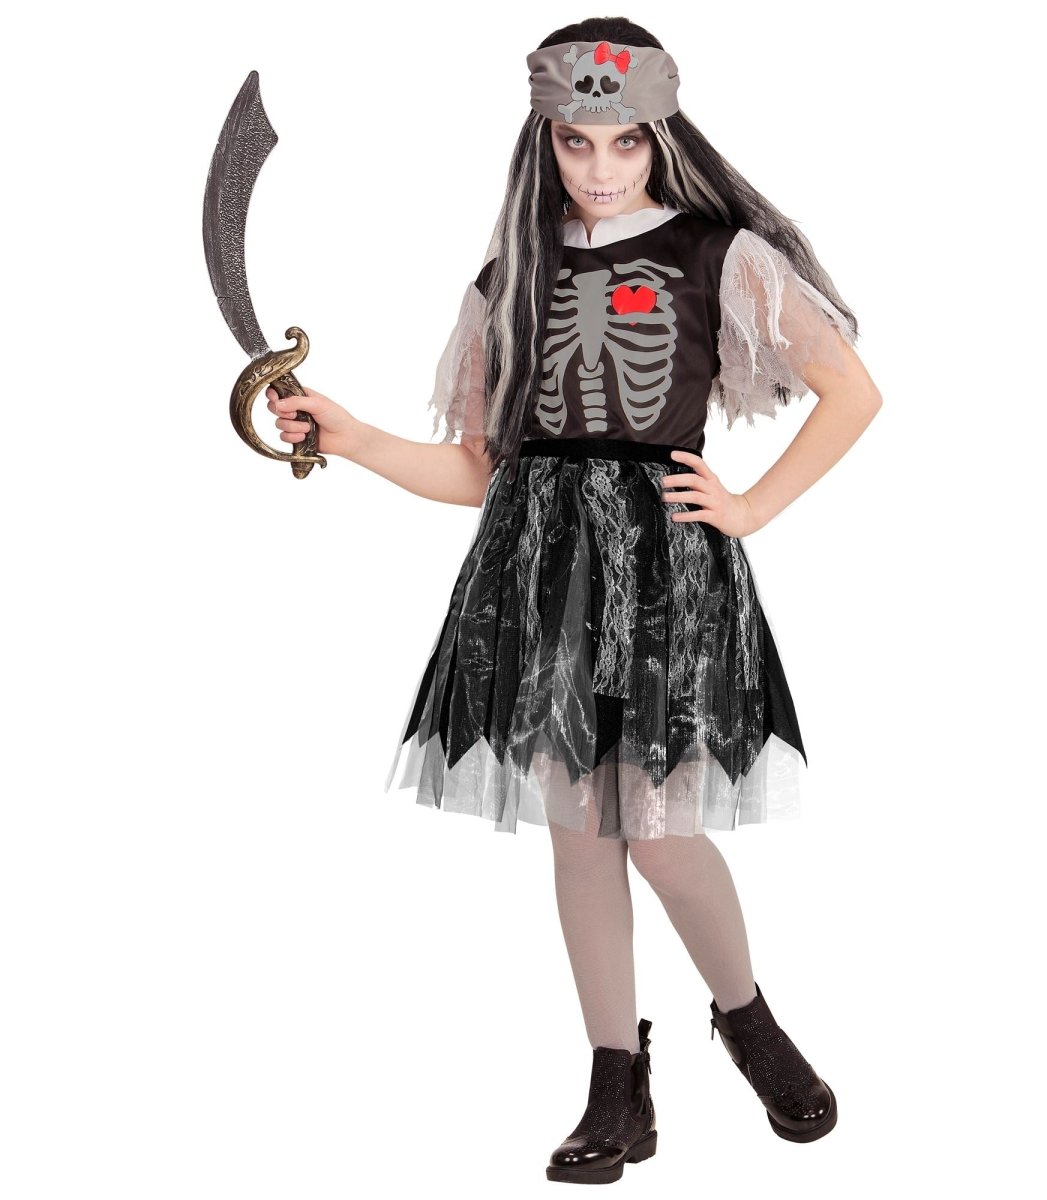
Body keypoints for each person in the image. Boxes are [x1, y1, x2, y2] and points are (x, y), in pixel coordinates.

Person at [267, 17, 881, 1185]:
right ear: (543, 140)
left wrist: (751, 506)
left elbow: (851, 391)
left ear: (662, 138)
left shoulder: (718, 254)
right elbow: (477, 471)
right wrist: (348, 437)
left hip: (662, 570)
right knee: (581, 837)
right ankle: (616, 1081)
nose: (601, 167)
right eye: (577, 142)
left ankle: (745, 1018)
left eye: (626, 142)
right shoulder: (514, 273)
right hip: (537, 567)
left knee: (663, 835)